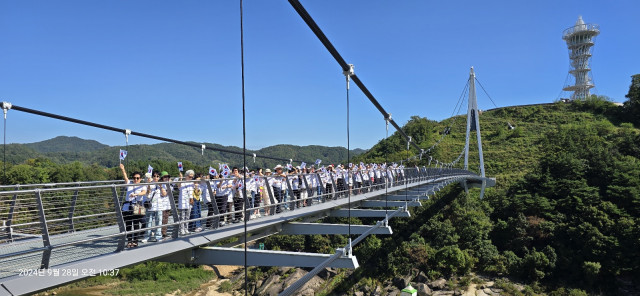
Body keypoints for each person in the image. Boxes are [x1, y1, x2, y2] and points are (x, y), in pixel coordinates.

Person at [119, 164, 147, 248]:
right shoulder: (129, 183)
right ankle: (129, 241)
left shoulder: (143, 185)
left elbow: (144, 192)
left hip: (136, 207)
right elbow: (125, 177)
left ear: (140, 179)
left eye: (137, 178)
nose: (136, 179)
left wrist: (136, 194)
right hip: (127, 207)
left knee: (136, 225)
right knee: (128, 225)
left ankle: (135, 241)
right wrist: (123, 169)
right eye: (134, 178)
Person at [144, 171, 167, 242]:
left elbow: (164, 194)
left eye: (157, 176)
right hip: (150, 206)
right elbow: (147, 194)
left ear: (159, 177)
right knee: (148, 222)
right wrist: (148, 185)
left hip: (159, 206)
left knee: (159, 222)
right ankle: (147, 236)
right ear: (152, 176)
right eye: (154, 176)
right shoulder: (149, 184)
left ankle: (158, 236)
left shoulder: (162, 185)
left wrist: (160, 186)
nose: (156, 178)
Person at [177, 170, 195, 235]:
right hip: (182, 202)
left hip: (189, 201)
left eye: (192, 177)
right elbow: (178, 186)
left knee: (187, 216)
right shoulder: (182, 182)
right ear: (186, 176)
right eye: (190, 177)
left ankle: (186, 229)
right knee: (182, 217)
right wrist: (180, 178)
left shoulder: (192, 183)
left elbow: (192, 192)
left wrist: (192, 198)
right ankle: (181, 230)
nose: (191, 178)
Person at [159, 171, 173, 238]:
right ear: (162, 178)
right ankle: (161, 233)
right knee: (162, 219)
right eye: (165, 177)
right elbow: (164, 194)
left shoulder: (169, 184)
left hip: (168, 204)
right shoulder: (161, 184)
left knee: (166, 219)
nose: (167, 178)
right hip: (162, 204)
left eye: (168, 177)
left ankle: (164, 232)